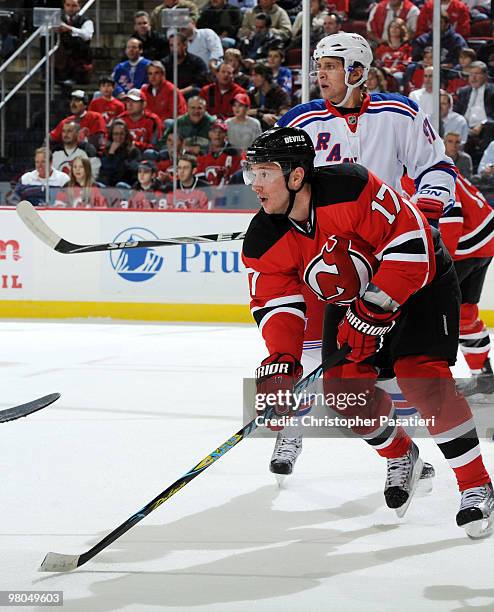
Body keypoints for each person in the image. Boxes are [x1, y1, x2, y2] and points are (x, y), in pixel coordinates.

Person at [242, 126, 494, 537]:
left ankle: (476, 485)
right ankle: (403, 455)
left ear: (296, 176)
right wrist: (282, 358)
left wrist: (374, 311)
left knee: (421, 379)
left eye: (265, 172)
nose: (255, 184)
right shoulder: (263, 236)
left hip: (422, 283)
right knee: (344, 395)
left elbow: (413, 246)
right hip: (353, 302)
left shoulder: (351, 187)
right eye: (253, 172)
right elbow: (275, 303)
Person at [273, 32, 456, 478]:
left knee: (383, 366)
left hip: (387, 254)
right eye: (317, 68)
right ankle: (291, 429)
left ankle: (405, 455)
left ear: (357, 71)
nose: (320, 76)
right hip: (327, 256)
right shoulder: (301, 121)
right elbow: (279, 184)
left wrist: (427, 207)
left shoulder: (400, 113)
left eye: (330, 67)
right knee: (307, 349)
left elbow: (436, 166)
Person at [439, 173, 494, 398]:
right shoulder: (430, 157)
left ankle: (433, 383)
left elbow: (451, 218)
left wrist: (440, 267)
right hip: (483, 239)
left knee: (432, 314)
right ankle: (484, 376)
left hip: (465, 246)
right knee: (464, 312)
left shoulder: (415, 168)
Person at [454, 62, 494, 168]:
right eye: (471, 74)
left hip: (485, 128)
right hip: (465, 128)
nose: (473, 78)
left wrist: (482, 124)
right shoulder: (463, 92)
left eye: (477, 74)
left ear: (485, 75)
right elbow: (456, 113)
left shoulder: (492, 91)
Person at [53, 0, 93, 84]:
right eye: (68, 5)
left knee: (77, 40)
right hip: (61, 50)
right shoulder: (58, 19)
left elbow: (87, 35)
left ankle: (76, 76)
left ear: (79, 6)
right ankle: (53, 75)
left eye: (74, 6)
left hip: (78, 52)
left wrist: (70, 29)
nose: (70, 8)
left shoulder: (86, 20)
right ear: (64, 5)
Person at [196, 120, 244, 185]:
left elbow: (239, 178)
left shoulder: (235, 153)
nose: (217, 134)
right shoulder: (202, 152)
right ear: (209, 134)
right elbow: (199, 177)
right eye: (214, 131)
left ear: (226, 134)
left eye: (221, 132)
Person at [162, 32, 209, 97]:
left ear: (185, 45)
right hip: (170, 96)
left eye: (177, 45)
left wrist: (180, 92)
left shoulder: (197, 62)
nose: (174, 48)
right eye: (171, 45)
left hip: (190, 96)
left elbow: (199, 83)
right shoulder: (164, 63)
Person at [98, 119, 140, 188]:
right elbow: (104, 172)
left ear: (126, 135)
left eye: (122, 134)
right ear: (111, 135)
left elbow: (130, 170)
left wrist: (117, 158)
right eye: (116, 134)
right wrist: (111, 153)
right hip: (108, 185)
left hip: (125, 184)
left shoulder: (133, 151)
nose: (119, 137)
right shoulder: (106, 151)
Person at [248, 64, 291, 129]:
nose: (252, 79)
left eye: (255, 75)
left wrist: (272, 117)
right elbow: (245, 112)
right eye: (252, 75)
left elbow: (285, 115)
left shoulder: (280, 94)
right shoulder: (252, 93)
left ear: (265, 76)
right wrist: (262, 115)